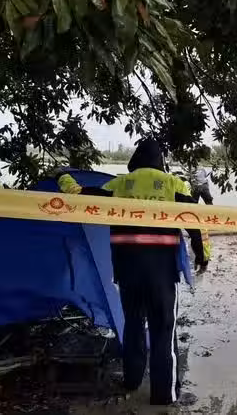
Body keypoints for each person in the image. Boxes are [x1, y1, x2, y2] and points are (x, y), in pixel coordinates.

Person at [57, 139, 208, 406]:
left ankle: (132, 380)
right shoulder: (173, 185)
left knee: (134, 326)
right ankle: (163, 395)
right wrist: (202, 255)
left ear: (135, 160)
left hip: (127, 272)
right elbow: (195, 220)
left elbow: (78, 196)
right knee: (163, 330)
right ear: (161, 161)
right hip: (162, 274)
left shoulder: (118, 185)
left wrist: (62, 176)